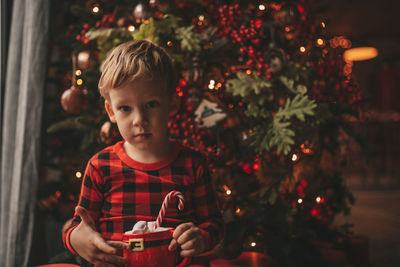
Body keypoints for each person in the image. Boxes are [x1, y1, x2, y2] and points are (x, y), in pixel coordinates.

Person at [62, 39, 224, 267]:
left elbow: (213, 223)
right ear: (111, 111)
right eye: (125, 108)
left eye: (151, 104)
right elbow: (78, 225)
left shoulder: (193, 164)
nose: (139, 120)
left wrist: (201, 237)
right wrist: (75, 238)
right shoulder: (100, 166)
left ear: (172, 104)